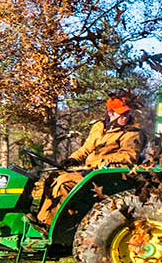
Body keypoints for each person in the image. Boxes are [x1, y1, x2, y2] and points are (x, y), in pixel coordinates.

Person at [29, 94, 144, 230]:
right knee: (53, 177)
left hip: (108, 175)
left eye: (126, 112)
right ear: (110, 112)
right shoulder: (99, 127)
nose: (125, 116)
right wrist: (73, 159)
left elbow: (128, 157)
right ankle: (43, 217)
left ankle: (49, 226)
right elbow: (86, 148)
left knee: (64, 183)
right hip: (90, 170)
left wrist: (100, 164)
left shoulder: (132, 133)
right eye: (121, 113)